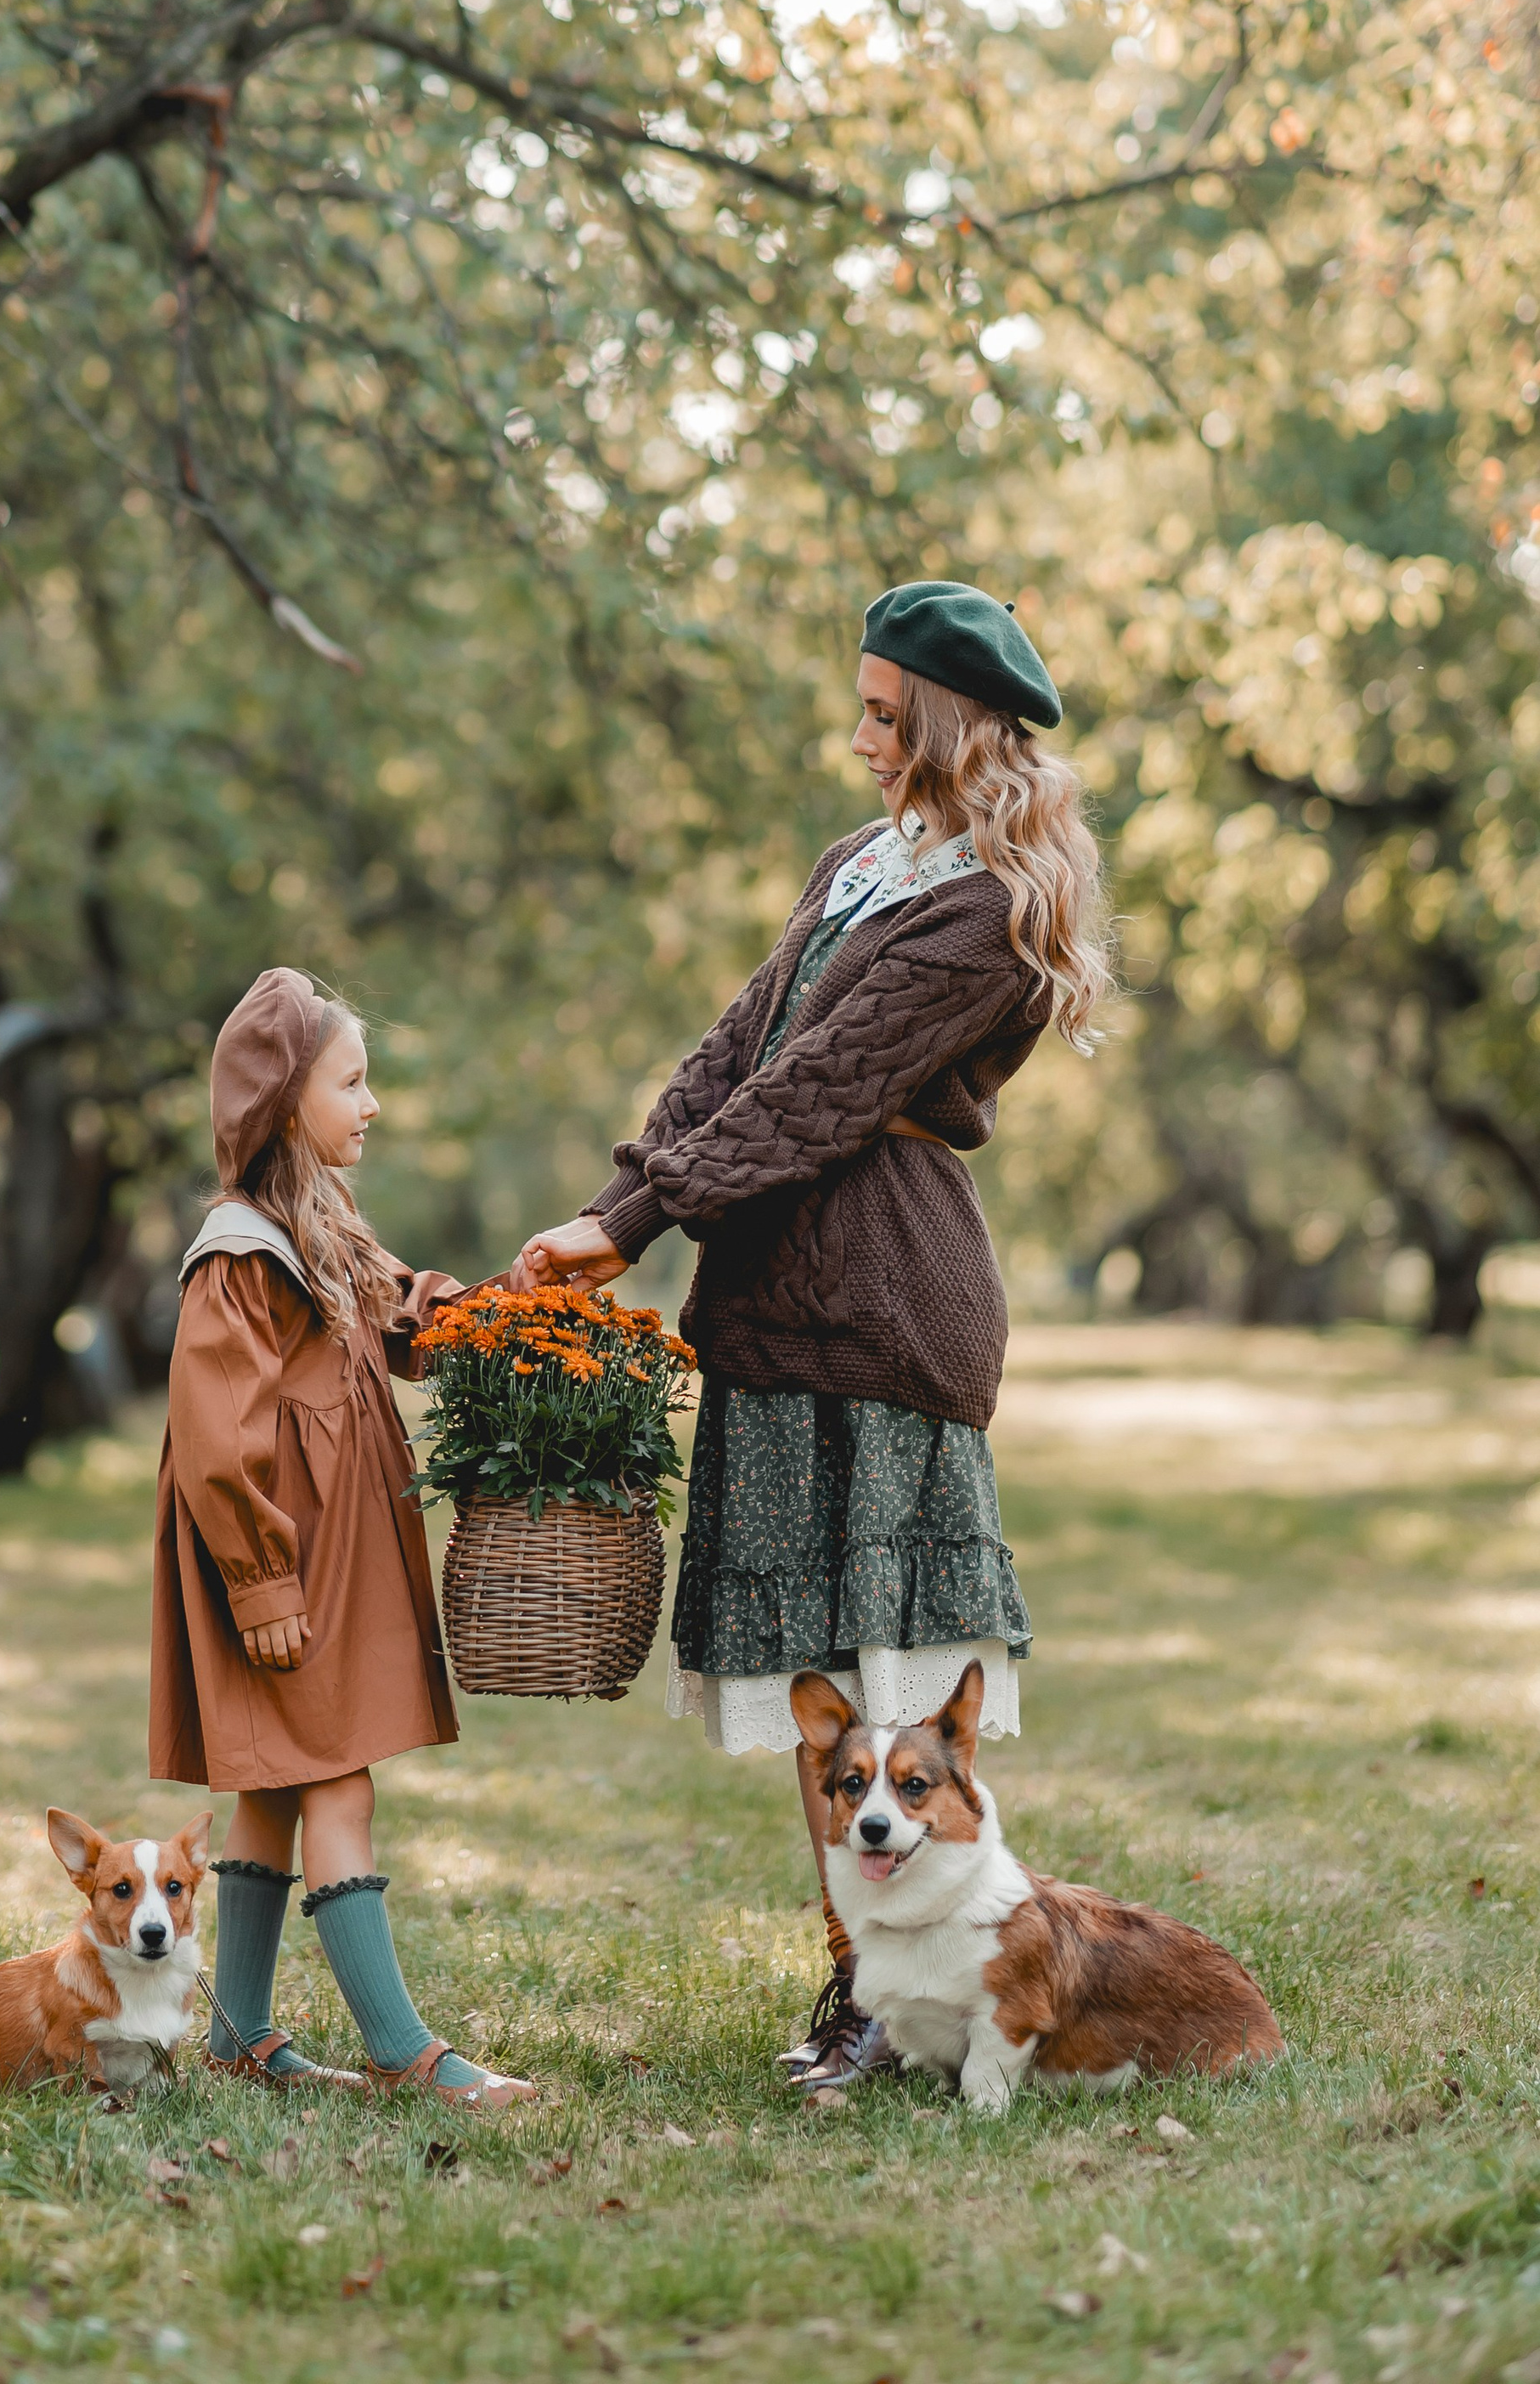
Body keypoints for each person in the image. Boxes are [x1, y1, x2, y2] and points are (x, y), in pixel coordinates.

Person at [512, 581, 1111, 2101]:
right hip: (774, 1300)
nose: (858, 739)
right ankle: (861, 1985)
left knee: (898, 1677)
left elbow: (826, 1087)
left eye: (883, 714)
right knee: (816, 1689)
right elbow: (738, 1047)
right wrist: (618, 1195)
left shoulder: (988, 906)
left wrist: (636, 1223)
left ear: (949, 723)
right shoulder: (861, 863)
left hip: (887, 1303)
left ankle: (948, 1970)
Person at [149, 964, 535, 2110]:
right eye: (353, 1084)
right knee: (338, 1785)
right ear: (285, 1102)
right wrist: (263, 1585)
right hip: (281, 1559)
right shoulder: (240, 1253)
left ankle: (238, 2035)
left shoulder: (317, 1225)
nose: (372, 1107)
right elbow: (218, 1439)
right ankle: (403, 2049)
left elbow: (397, 1317)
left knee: (276, 1783)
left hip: (326, 1552)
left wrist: (497, 1312)